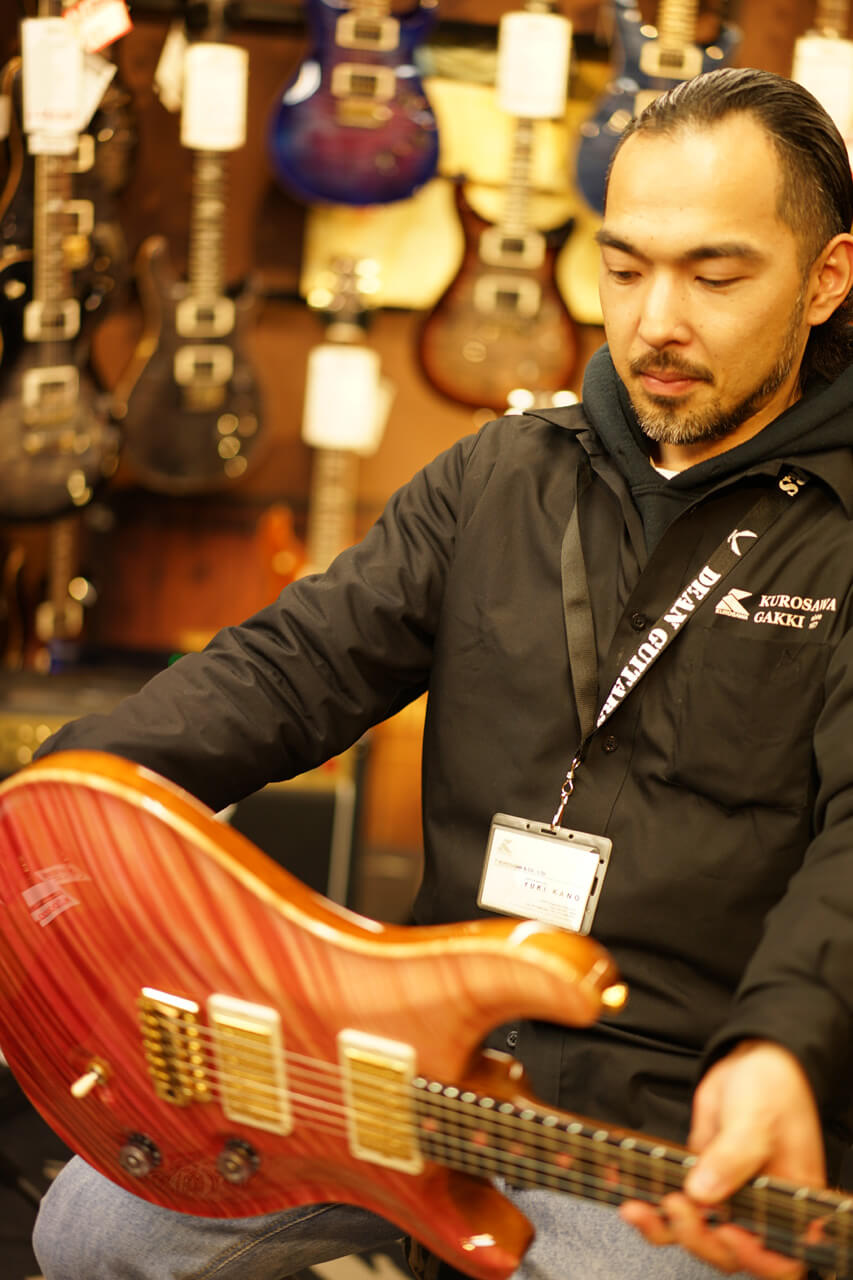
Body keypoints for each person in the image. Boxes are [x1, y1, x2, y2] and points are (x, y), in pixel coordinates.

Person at [27, 65, 853, 1280]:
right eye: (625, 268)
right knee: (89, 1232)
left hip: (668, 1120)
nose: (654, 323)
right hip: (416, 1065)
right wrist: (49, 808)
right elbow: (288, 668)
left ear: (826, 278)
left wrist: (780, 1044)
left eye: (713, 276)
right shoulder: (500, 473)